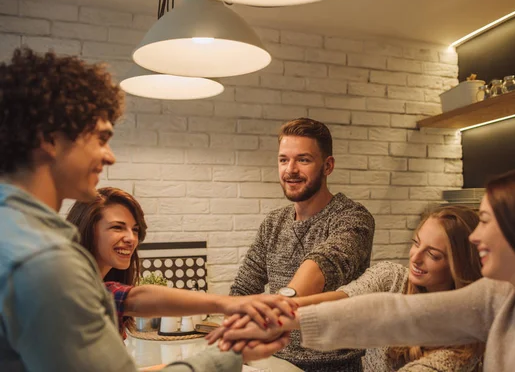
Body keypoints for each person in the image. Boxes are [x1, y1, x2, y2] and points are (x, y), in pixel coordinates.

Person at [0, 48, 288, 372]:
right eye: (100, 138)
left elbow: (130, 298)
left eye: (134, 230)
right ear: (50, 138)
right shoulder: (46, 261)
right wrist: (230, 355)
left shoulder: (16, 233)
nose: (110, 156)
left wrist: (226, 305)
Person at [218, 165, 515, 371]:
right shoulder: (500, 297)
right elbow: (396, 313)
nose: (473, 237)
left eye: (484, 221)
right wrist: (284, 317)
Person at [215, 205, 484, 371]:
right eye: (415, 243)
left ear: (459, 266)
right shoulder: (391, 277)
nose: (415, 257)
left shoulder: (462, 347)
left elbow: (326, 260)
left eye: (433, 255)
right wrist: (277, 311)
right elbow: (345, 299)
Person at [229, 118, 375, 371]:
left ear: (327, 166)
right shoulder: (273, 222)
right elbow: (243, 288)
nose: (291, 170)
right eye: (284, 159)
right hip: (274, 362)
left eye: (303, 160)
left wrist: (277, 310)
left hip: (334, 365)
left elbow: (323, 263)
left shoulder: (353, 218)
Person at [67, 186, 296, 339]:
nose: (131, 238)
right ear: (88, 228)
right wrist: (225, 304)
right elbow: (135, 299)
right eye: (117, 227)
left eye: (135, 230)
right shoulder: (77, 290)